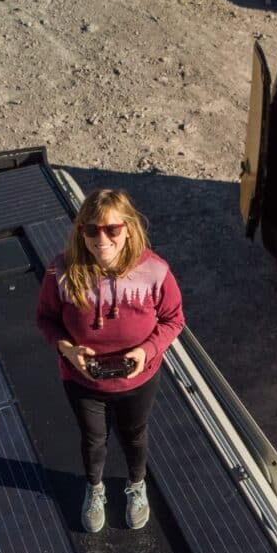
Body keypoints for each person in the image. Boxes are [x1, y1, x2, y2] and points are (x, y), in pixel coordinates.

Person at [36, 189, 184, 533]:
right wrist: (67, 349)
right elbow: (45, 319)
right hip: (82, 380)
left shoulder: (155, 272)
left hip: (139, 380)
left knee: (134, 435)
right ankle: (95, 488)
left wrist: (146, 351)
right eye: (91, 230)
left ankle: (136, 486)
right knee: (92, 438)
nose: (101, 238)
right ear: (81, 232)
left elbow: (174, 319)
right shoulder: (61, 271)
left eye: (112, 230)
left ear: (128, 229)